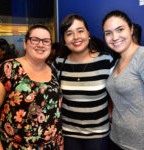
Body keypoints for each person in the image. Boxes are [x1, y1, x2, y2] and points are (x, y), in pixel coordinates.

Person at [0, 24, 63, 150]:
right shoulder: (9, 69)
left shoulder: (53, 71)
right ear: (25, 43)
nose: (41, 45)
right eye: (35, 40)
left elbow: (55, 115)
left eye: (46, 41)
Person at [52, 14, 115, 150]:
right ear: (64, 39)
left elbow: (118, 93)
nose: (76, 37)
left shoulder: (105, 61)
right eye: (69, 33)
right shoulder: (58, 64)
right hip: (68, 135)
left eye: (80, 31)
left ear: (88, 34)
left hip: (98, 135)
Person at [102, 10, 144, 150]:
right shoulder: (117, 61)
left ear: (131, 29)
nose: (114, 37)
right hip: (116, 138)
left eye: (120, 29)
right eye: (108, 33)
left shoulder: (141, 56)